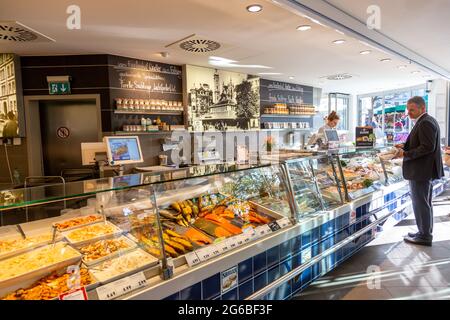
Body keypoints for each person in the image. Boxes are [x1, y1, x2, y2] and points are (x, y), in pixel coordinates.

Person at [394, 96, 444, 246]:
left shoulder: (425, 123)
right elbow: (423, 143)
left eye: (412, 110)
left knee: (420, 203)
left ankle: (424, 236)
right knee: (424, 203)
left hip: (420, 171)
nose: (408, 113)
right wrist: (405, 146)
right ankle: (424, 231)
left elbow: (427, 147)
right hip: (424, 170)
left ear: (422, 108)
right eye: (408, 110)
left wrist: (406, 153)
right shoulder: (427, 120)